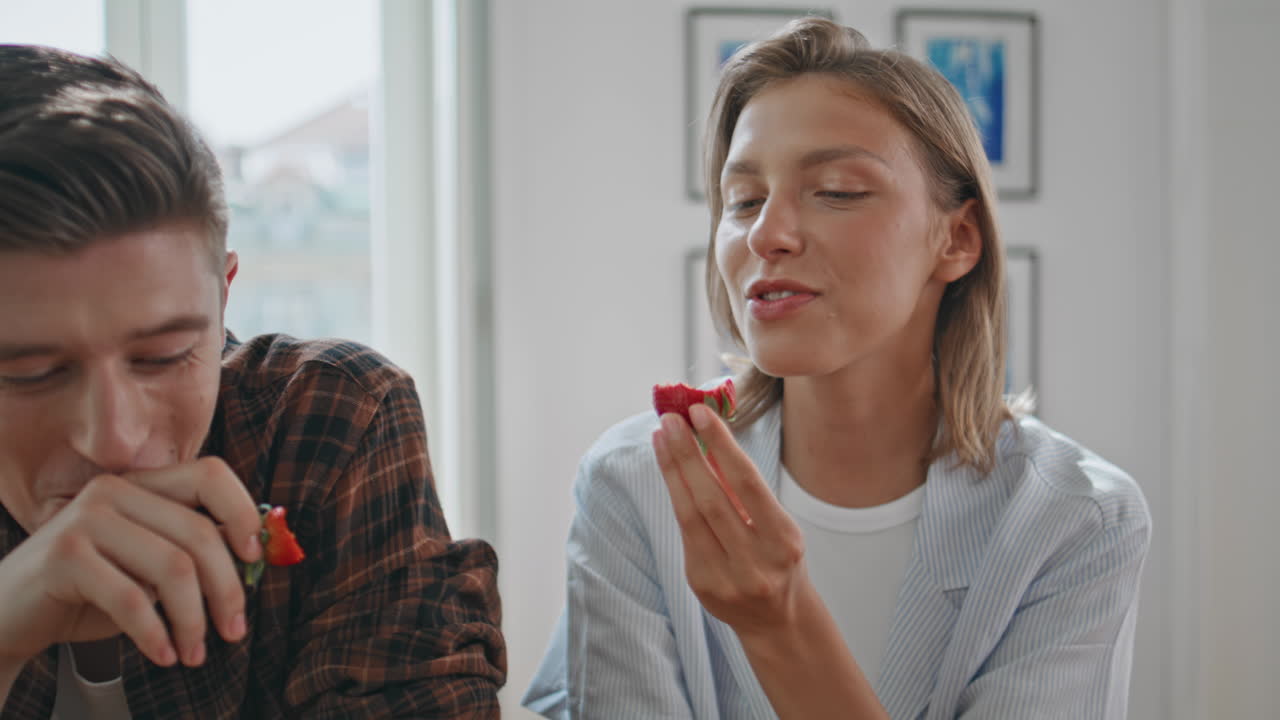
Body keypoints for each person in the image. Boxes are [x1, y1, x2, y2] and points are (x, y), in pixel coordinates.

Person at [524, 17, 1149, 719]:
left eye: (838, 191)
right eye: (744, 201)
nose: (767, 233)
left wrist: (778, 621)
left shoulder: (1076, 519)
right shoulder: (632, 483)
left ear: (957, 239)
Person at [0, 45, 505, 718]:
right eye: (31, 373)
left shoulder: (329, 418)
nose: (114, 441)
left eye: (165, 355)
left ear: (223, 300)